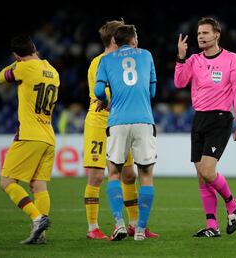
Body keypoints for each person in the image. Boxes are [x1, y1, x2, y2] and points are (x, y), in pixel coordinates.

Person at [84, 20, 158, 239]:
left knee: (128, 174)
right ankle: (93, 228)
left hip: (119, 122)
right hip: (100, 122)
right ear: (116, 37)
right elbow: (98, 94)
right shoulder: (99, 62)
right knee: (97, 176)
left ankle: (134, 224)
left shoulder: (127, 58)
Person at [174, 17, 236, 238]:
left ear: (217, 35)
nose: (201, 37)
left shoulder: (232, 59)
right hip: (200, 119)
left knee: (207, 170)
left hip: (221, 119)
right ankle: (212, 226)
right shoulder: (194, 60)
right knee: (201, 175)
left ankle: (232, 204)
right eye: (198, 34)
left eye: (205, 33)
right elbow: (179, 83)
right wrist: (181, 57)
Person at [0, 34, 60, 244]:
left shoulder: (23, 68)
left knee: (7, 181)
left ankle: (37, 217)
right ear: (35, 48)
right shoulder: (53, 71)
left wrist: (17, 63)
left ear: (17, 55)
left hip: (29, 135)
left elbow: (0, 77)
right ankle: (40, 235)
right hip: (49, 136)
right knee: (38, 185)